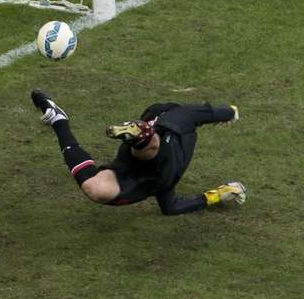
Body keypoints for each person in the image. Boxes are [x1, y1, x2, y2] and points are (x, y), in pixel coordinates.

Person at [30, 89, 247, 215]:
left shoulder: (178, 117)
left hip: (153, 164)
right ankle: (59, 119)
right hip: (142, 165)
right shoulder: (178, 116)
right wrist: (216, 196)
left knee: (99, 187)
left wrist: (228, 113)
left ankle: (60, 120)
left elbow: (213, 113)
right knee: (95, 188)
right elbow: (172, 207)